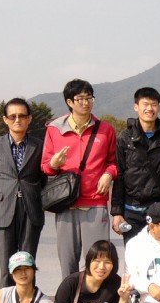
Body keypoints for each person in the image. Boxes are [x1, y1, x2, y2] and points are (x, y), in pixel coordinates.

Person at [42, 79, 118, 277]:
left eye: (89, 98)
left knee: (98, 262)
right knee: (68, 263)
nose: (86, 103)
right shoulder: (54, 129)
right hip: (65, 204)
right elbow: (46, 167)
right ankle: (70, 296)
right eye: (81, 98)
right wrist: (54, 164)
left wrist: (109, 174)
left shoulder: (105, 130)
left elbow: (114, 162)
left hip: (95, 202)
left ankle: (97, 297)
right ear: (69, 102)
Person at [0, 98, 45, 288]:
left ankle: (29, 302)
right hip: (3, 210)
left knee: (28, 262)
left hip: (31, 208)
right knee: (6, 265)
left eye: (22, 116)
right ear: (5, 119)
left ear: (29, 119)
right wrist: (3, 198)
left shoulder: (39, 145)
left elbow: (43, 178)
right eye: (13, 116)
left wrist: (32, 194)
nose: (17, 120)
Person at [111, 87, 160, 244]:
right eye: (145, 104)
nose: (150, 108)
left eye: (154, 104)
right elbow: (119, 175)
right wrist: (117, 212)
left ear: (159, 108)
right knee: (133, 254)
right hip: (131, 211)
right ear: (136, 107)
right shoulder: (125, 138)